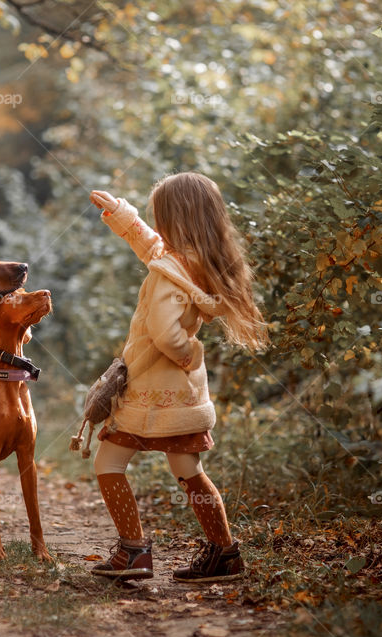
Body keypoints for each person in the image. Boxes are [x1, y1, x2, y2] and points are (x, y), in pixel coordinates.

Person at [87, 172, 268, 583]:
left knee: (108, 461)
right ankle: (225, 552)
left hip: (150, 392)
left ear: (174, 219)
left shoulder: (167, 273)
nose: (157, 225)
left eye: (158, 216)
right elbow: (151, 246)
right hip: (181, 398)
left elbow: (165, 332)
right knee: (187, 469)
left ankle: (133, 550)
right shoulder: (193, 264)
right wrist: (122, 215)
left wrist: (185, 355)